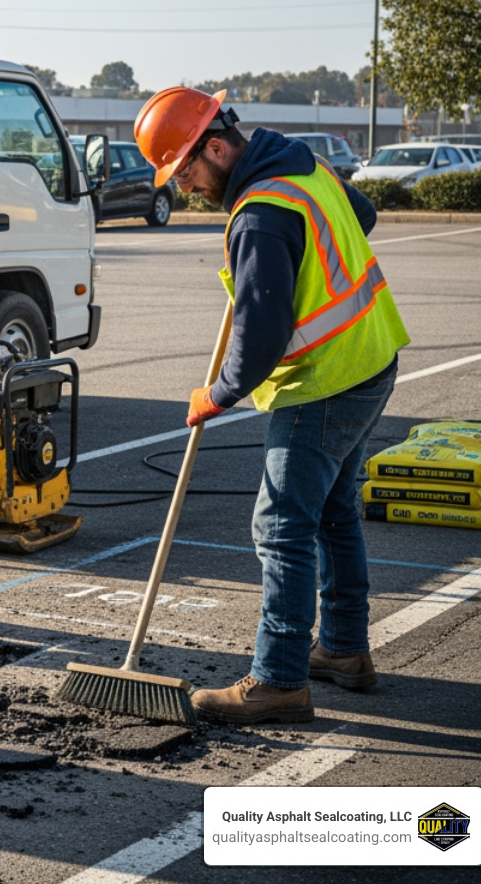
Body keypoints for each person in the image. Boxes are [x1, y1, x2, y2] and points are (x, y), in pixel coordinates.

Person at [134, 87, 409, 723]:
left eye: (187, 171)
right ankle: (343, 649)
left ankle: (279, 680)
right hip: (372, 356)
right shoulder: (302, 163)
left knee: (281, 525)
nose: (186, 187)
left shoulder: (259, 213)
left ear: (217, 146)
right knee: (335, 512)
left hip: (324, 379)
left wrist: (218, 393)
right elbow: (361, 217)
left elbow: (260, 334)